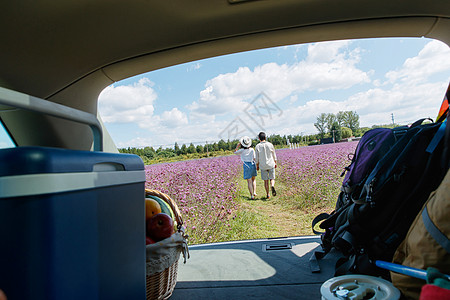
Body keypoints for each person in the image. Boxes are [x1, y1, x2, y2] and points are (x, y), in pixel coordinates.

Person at [255, 132, 277, 199]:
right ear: (265, 137)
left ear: (259, 138)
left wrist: (257, 166)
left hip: (263, 165)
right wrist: (275, 162)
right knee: (272, 178)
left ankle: (268, 194)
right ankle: (272, 185)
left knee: (265, 181)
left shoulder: (257, 146)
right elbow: (274, 155)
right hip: (271, 164)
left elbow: (257, 158)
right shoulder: (270, 144)